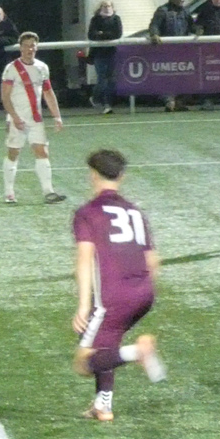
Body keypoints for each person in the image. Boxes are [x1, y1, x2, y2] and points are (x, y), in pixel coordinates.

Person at [72, 149, 166, 422]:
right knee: (106, 345)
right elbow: (153, 261)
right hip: (144, 292)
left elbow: (84, 258)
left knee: (83, 363)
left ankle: (138, 352)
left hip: (114, 296)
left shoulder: (87, 213)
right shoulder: (135, 212)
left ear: (92, 175)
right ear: (121, 177)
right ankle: (103, 406)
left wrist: (84, 306)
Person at [0, 31, 66, 205]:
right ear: (20, 48)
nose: (30, 49)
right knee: (13, 153)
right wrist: (14, 117)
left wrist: (57, 116)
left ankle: (48, 191)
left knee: (42, 152)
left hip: (36, 119)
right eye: (27, 46)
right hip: (17, 119)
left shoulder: (42, 68)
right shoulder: (11, 68)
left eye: (33, 46)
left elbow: (48, 93)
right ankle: (9, 192)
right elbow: (5, 96)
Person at [149, 0, 193, 111]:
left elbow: (191, 26)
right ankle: (169, 100)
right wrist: (154, 34)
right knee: (167, 76)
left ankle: (179, 101)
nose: (183, 1)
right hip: (166, 50)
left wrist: (198, 29)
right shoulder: (163, 10)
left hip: (182, 50)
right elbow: (154, 25)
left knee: (183, 76)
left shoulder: (185, 12)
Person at [87, 1, 122, 115]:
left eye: (108, 6)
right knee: (102, 79)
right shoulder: (95, 19)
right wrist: (107, 35)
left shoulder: (116, 19)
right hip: (99, 53)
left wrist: (101, 34)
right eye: (104, 6)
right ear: (100, 7)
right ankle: (95, 98)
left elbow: (117, 34)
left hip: (112, 53)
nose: (107, 8)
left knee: (111, 80)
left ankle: (107, 104)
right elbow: (91, 35)